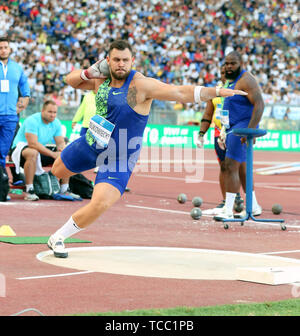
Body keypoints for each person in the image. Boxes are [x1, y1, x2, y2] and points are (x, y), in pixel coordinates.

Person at [47, 39, 247, 258]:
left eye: (125, 60)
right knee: (57, 172)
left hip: (120, 156)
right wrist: (89, 71)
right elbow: (71, 80)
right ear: (108, 61)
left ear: (132, 61)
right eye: (116, 60)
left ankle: (58, 237)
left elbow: (179, 93)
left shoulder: (140, 85)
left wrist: (216, 91)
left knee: (101, 202)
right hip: (91, 142)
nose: (121, 64)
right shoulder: (100, 80)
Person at [213, 51, 264, 220]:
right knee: (242, 169)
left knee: (230, 166)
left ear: (240, 63)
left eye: (232, 63)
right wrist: (223, 131)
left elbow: (260, 104)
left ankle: (228, 209)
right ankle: (254, 205)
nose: (228, 66)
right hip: (232, 128)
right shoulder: (230, 81)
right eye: (226, 63)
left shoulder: (246, 80)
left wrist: (251, 130)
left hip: (242, 127)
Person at [196, 65, 245, 215]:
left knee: (239, 166)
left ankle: (246, 200)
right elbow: (208, 113)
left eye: (227, 73)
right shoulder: (215, 92)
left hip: (235, 133)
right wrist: (201, 133)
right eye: (222, 73)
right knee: (224, 167)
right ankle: (226, 202)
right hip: (219, 134)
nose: (225, 75)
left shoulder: (238, 90)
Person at [11, 100, 81, 201]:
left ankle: (64, 189)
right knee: (32, 152)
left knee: (67, 154)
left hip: (39, 150)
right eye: (50, 112)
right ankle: (29, 190)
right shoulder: (32, 120)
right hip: (20, 149)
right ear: (42, 111)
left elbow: (60, 142)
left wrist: (62, 149)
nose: (52, 115)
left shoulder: (56, 123)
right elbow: (32, 143)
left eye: (54, 112)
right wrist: (53, 154)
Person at [0, 36, 30, 171]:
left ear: (10, 49)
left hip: (10, 117)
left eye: (5, 47)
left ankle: (1, 186)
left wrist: (24, 100)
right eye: (0, 48)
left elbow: (25, 87)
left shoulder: (17, 68)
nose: (3, 50)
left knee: (3, 152)